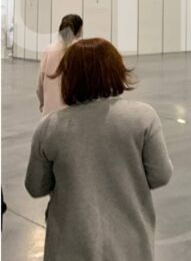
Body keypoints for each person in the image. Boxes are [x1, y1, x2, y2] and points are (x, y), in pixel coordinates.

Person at [25, 38, 172, 261]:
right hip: (130, 246)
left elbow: (35, 187)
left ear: (69, 76)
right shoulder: (143, 118)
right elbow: (161, 175)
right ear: (116, 71)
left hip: (69, 247)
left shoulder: (50, 127)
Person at [37, 14, 83, 115]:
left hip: (49, 114)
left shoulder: (48, 50)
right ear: (79, 31)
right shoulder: (82, 52)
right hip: (73, 115)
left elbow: (40, 85)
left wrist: (43, 104)